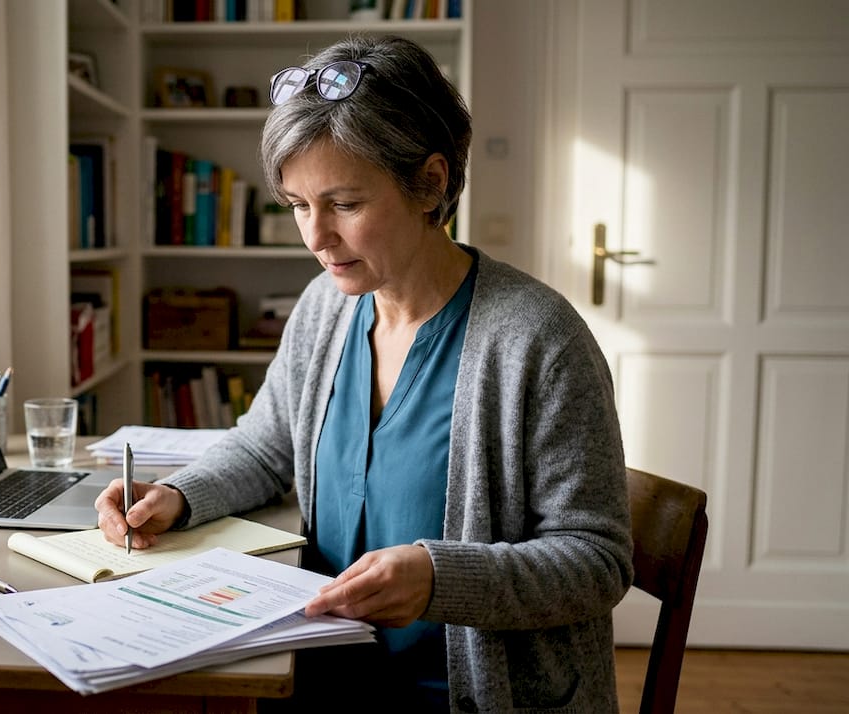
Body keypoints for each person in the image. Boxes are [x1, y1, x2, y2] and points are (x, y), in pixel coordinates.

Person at [96, 35, 633, 712]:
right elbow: (267, 444)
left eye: (344, 204)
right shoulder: (326, 306)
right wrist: (178, 496)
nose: (315, 238)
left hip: (466, 695)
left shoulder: (538, 339)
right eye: (297, 204)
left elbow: (597, 559)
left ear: (430, 184)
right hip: (313, 672)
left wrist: (441, 578)